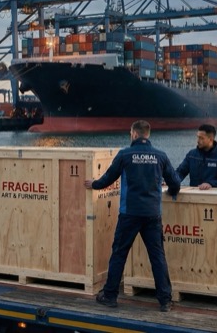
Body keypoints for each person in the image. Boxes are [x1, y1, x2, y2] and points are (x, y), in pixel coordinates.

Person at [83, 120, 181, 312]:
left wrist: (93, 184)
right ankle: (165, 301)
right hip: (153, 214)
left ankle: (110, 296)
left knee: (119, 254)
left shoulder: (125, 154)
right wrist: (171, 191)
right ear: (148, 135)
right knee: (157, 257)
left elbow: (107, 179)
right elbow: (175, 182)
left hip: (129, 214)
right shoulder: (160, 156)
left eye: (130, 133)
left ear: (134, 134)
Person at [176, 124, 217, 190]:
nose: (198, 141)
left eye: (201, 138)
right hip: (193, 196)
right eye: (198, 137)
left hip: (213, 197)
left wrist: (210, 184)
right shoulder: (191, 155)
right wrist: (170, 181)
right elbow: (180, 172)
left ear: (210, 139)